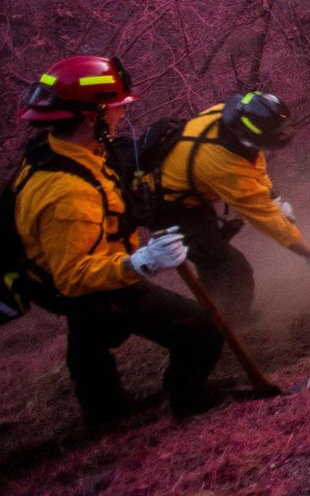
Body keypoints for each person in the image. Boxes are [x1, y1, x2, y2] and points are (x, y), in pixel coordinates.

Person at [8, 55, 223, 426]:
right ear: (91, 116)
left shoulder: (72, 150)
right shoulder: (65, 193)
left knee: (89, 341)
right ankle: (188, 398)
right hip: (91, 283)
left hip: (68, 275)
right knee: (200, 330)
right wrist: (140, 263)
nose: (122, 114)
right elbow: (74, 278)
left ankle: (104, 413)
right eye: (117, 108)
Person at [147, 92, 310, 318]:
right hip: (170, 209)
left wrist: (273, 196)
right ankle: (225, 324)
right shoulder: (223, 166)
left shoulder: (234, 122)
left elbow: (254, 163)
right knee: (229, 268)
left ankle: (222, 311)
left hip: (190, 192)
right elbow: (269, 222)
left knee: (215, 261)